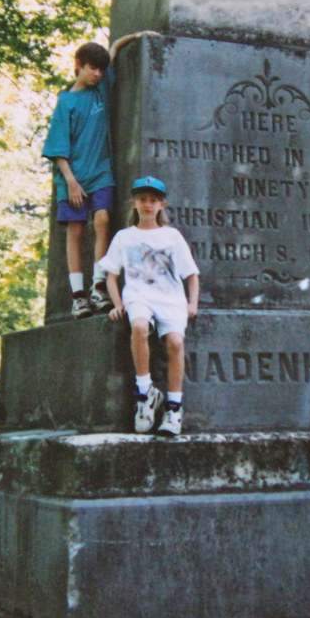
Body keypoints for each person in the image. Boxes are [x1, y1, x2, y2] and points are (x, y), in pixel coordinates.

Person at [41, 33, 152, 318]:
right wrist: (70, 181)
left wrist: (138, 36)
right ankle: (78, 296)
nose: (97, 73)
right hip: (73, 176)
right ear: (78, 65)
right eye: (92, 67)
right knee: (75, 231)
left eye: (101, 69)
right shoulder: (66, 102)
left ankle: (98, 286)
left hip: (101, 171)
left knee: (103, 220)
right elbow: (57, 148)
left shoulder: (101, 89)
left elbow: (113, 50)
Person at [100, 176, 200, 436]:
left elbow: (191, 274)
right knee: (140, 327)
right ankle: (144, 392)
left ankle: (174, 407)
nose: (147, 205)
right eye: (143, 200)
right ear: (134, 203)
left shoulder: (171, 236)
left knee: (175, 343)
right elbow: (110, 276)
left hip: (170, 298)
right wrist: (117, 304)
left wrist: (192, 303)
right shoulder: (124, 237)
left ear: (161, 205)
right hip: (138, 295)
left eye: (153, 201)